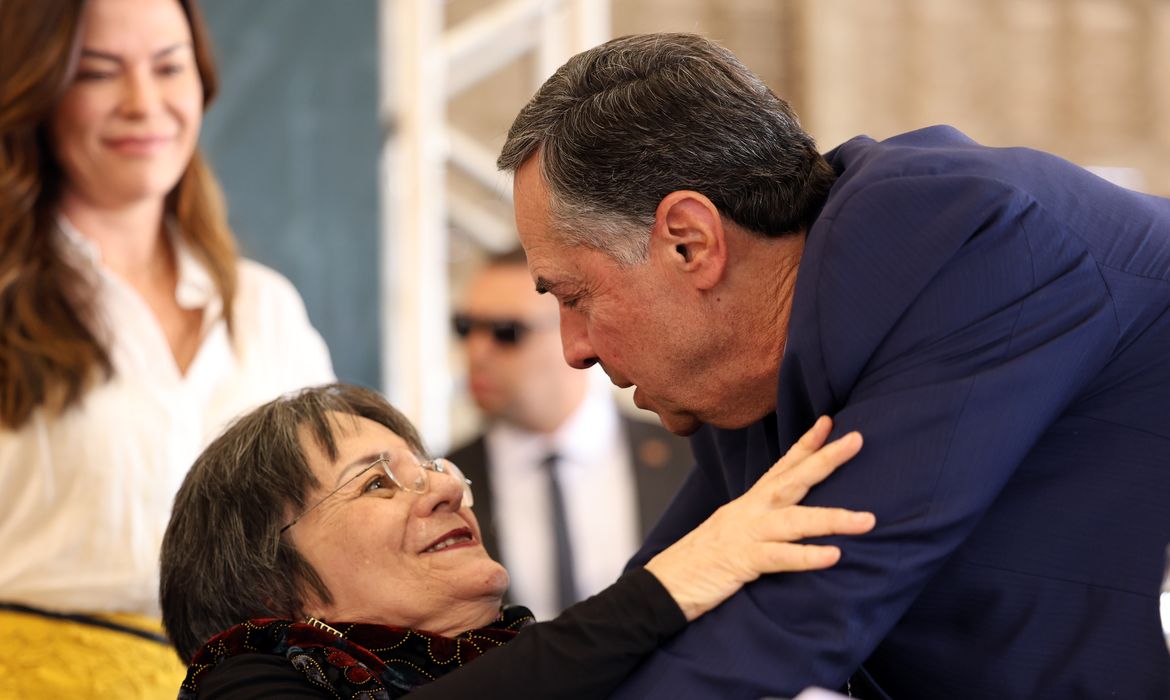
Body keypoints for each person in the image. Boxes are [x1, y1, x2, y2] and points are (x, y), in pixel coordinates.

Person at [497, 32, 1170, 699]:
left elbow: (800, 616)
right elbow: (660, 608)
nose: (573, 349)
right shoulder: (751, 364)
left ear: (689, 243)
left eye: (575, 296)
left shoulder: (965, 240)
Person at [0, 0, 333, 695]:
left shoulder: (266, 308)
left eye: (169, 67)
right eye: (97, 73)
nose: (143, 102)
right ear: (36, 90)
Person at [159, 383, 875, 698]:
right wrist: (669, 587)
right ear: (269, 581)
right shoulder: (243, 675)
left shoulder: (548, 668)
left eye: (432, 470)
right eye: (377, 483)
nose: (444, 489)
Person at [448, 246, 691, 619]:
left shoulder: (687, 453)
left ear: (577, 330)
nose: (476, 351)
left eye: (506, 332)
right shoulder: (445, 484)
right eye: (465, 328)